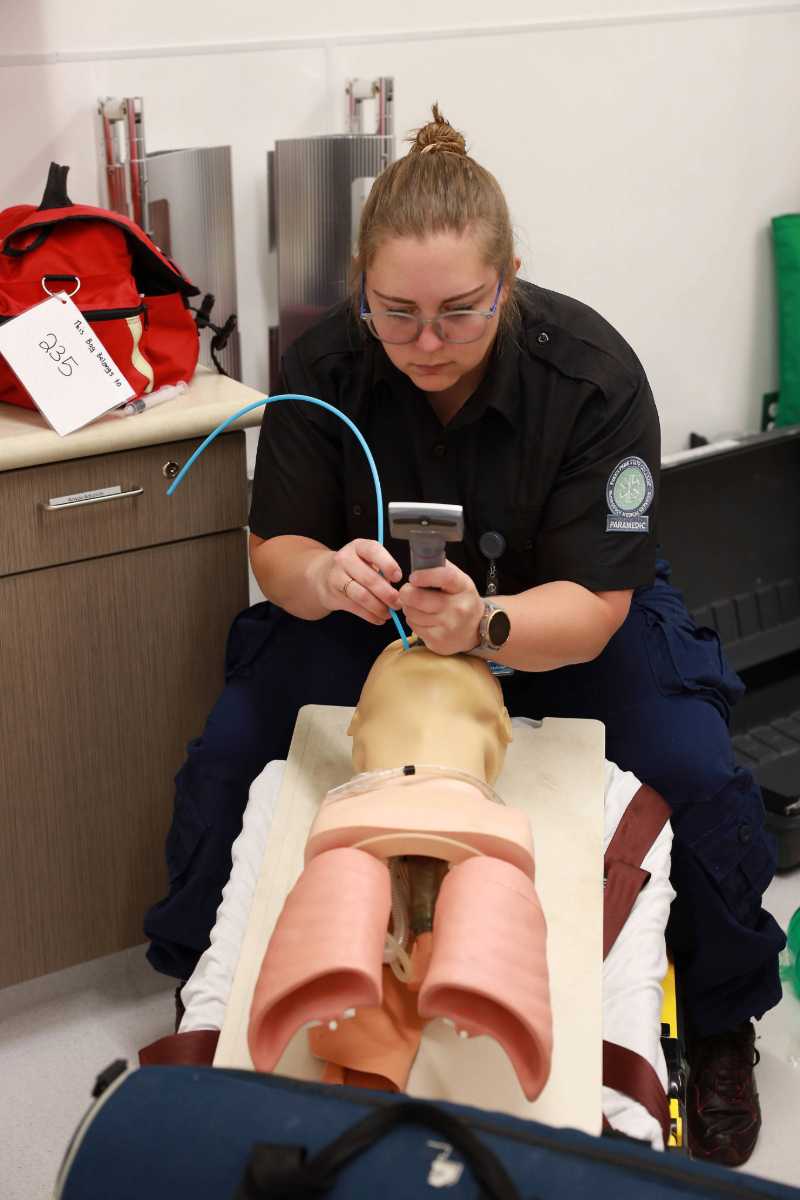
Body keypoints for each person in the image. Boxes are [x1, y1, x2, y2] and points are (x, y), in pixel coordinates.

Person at [144, 105, 784, 1166]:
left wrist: (487, 624)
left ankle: (720, 1022)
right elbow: (276, 549)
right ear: (361, 286)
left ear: (509, 280)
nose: (427, 344)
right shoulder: (322, 365)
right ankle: (206, 996)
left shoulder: (593, 378)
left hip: (555, 612)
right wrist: (324, 575)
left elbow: (598, 605)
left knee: (695, 770)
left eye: (459, 313)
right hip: (372, 618)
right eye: (395, 314)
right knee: (230, 753)